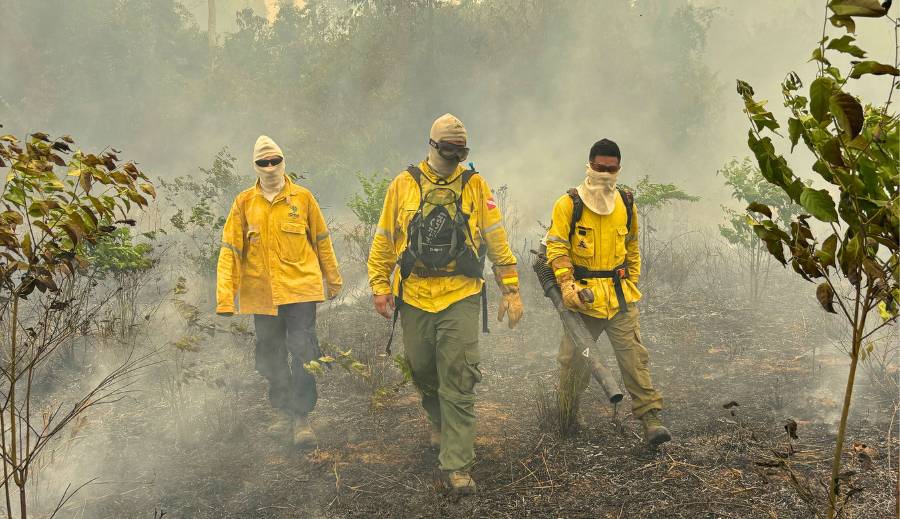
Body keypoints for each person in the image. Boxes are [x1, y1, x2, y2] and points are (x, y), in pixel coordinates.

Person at [367, 114, 523, 494]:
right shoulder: (403, 184)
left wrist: (511, 288)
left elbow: (496, 236)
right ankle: (438, 421)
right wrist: (379, 285)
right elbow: (385, 237)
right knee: (423, 369)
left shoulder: (475, 185)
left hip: (460, 292)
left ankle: (457, 465)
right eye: (449, 150)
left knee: (458, 375)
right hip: (415, 294)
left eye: (461, 152)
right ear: (433, 146)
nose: (455, 158)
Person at [216, 135, 342, 448]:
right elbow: (231, 250)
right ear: (255, 165)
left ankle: (301, 417)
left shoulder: (302, 199)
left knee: (303, 351)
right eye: (264, 162)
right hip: (262, 295)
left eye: (275, 161)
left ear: (283, 162)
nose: (270, 167)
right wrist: (225, 297)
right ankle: (283, 410)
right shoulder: (244, 203)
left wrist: (333, 279)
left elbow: (322, 240)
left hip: (300, 291)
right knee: (270, 354)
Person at [545, 138, 671, 445]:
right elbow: (556, 247)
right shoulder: (569, 204)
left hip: (619, 298)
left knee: (635, 359)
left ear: (619, 169)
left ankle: (651, 420)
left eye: (611, 169)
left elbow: (632, 247)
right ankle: (568, 415)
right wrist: (567, 285)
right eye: (599, 167)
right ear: (589, 165)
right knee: (575, 362)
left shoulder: (625, 204)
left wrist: (631, 282)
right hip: (583, 301)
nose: (604, 174)